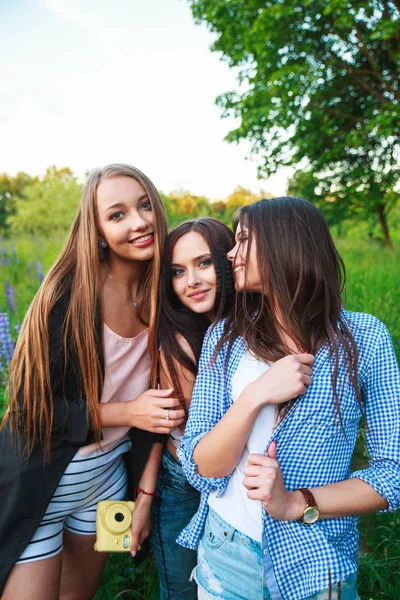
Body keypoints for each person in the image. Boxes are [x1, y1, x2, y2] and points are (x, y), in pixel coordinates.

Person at [178, 197, 400, 600]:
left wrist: (296, 503)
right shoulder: (225, 339)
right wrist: (254, 396)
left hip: (315, 555)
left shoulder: (365, 340)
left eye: (242, 238)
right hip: (227, 553)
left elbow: (392, 475)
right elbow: (202, 468)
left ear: (285, 243)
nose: (230, 253)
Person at [0, 164, 186, 600]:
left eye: (144, 205)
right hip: (41, 481)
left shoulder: (168, 289)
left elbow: (162, 411)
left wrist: (143, 495)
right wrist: (128, 411)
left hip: (111, 482)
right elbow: (31, 411)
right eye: (117, 214)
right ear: (98, 229)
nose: (138, 222)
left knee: (80, 594)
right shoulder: (67, 293)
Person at [150, 217, 235, 600]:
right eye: (178, 272)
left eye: (204, 263)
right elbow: (167, 430)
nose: (192, 282)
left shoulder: (256, 326)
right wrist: (145, 495)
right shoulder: (180, 339)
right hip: (183, 482)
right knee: (183, 589)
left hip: (238, 481)